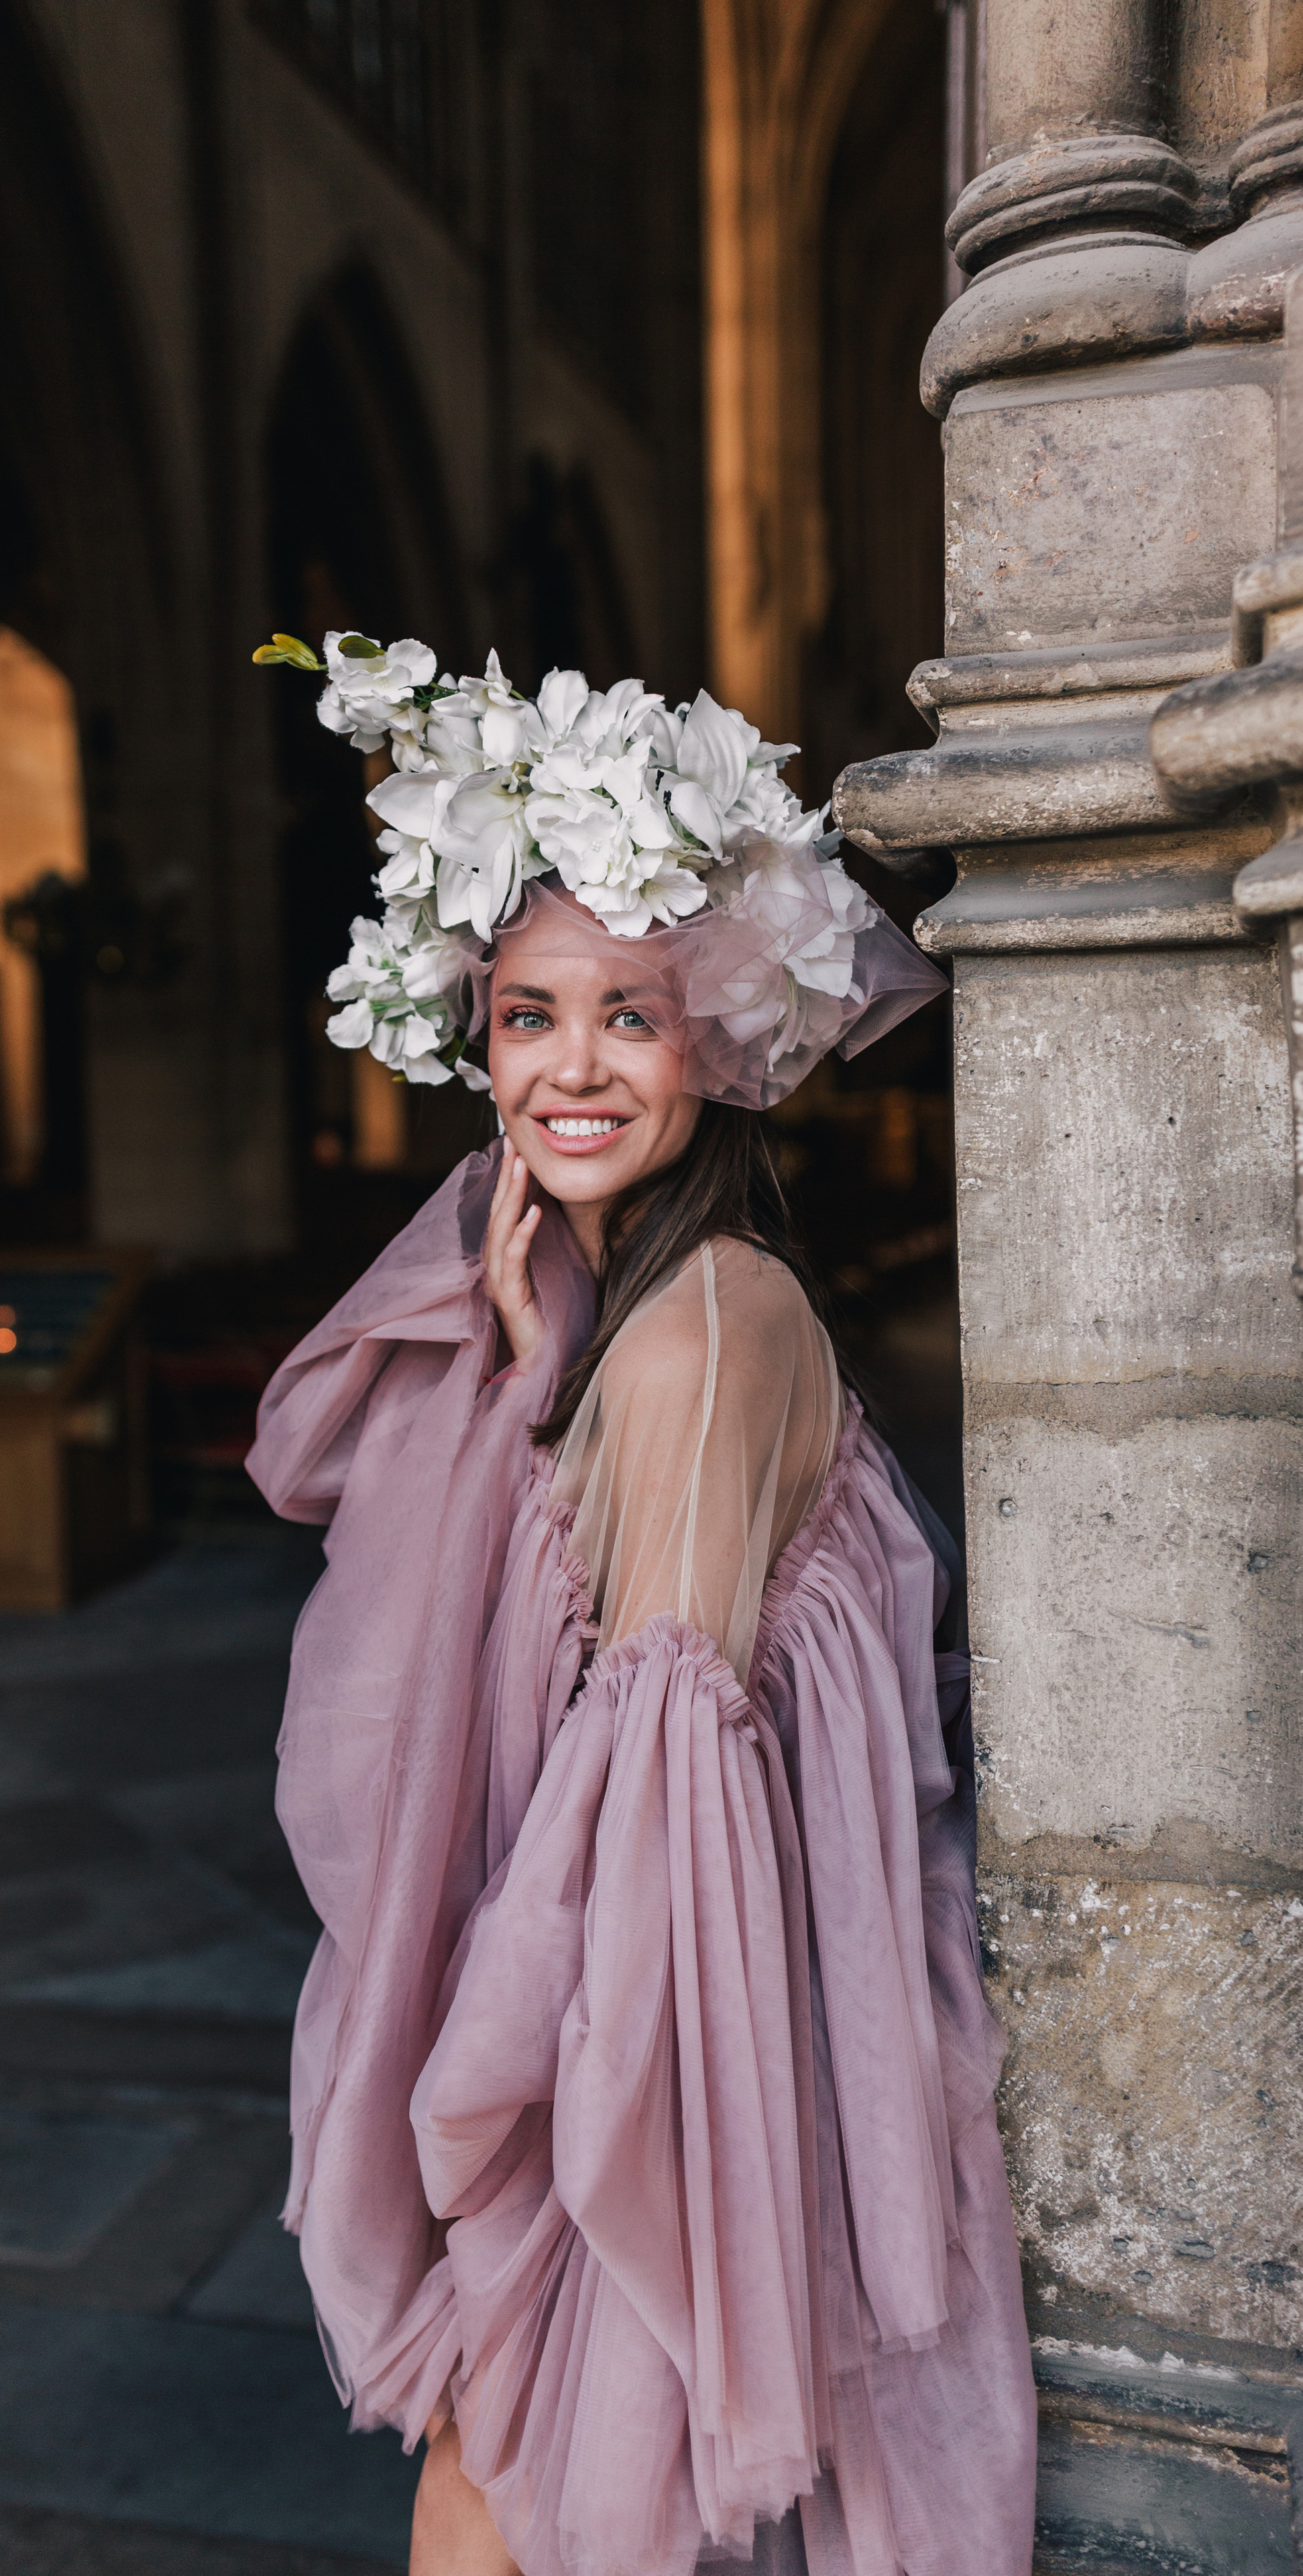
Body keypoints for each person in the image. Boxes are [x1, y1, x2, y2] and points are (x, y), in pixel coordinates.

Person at [246, 637, 1037, 2576]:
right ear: (477, 1040)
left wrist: (482, 2116)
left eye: (632, 1017)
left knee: (494, 2508)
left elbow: (653, 1793)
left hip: (651, 2063)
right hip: (651, 2029)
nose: (574, 1068)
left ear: (725, 1038)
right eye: (530, 1018)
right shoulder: (627, 1315)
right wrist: (526, 1367)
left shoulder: (703, 1334)